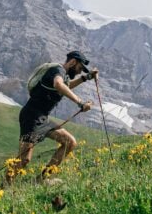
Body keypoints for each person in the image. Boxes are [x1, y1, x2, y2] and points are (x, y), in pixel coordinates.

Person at [17, 50, 99, 180]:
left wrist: (85, 78)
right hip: (31, 117)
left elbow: (66, 85)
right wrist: (80, 103)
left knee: (70, 142)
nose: (79, 71)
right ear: (72, 62)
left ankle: (42, 179)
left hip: (42, 118)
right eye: (79, 68)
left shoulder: (62, 75)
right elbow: (58, 84)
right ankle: (3, 188)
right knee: (24, 160)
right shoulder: (57, 70)